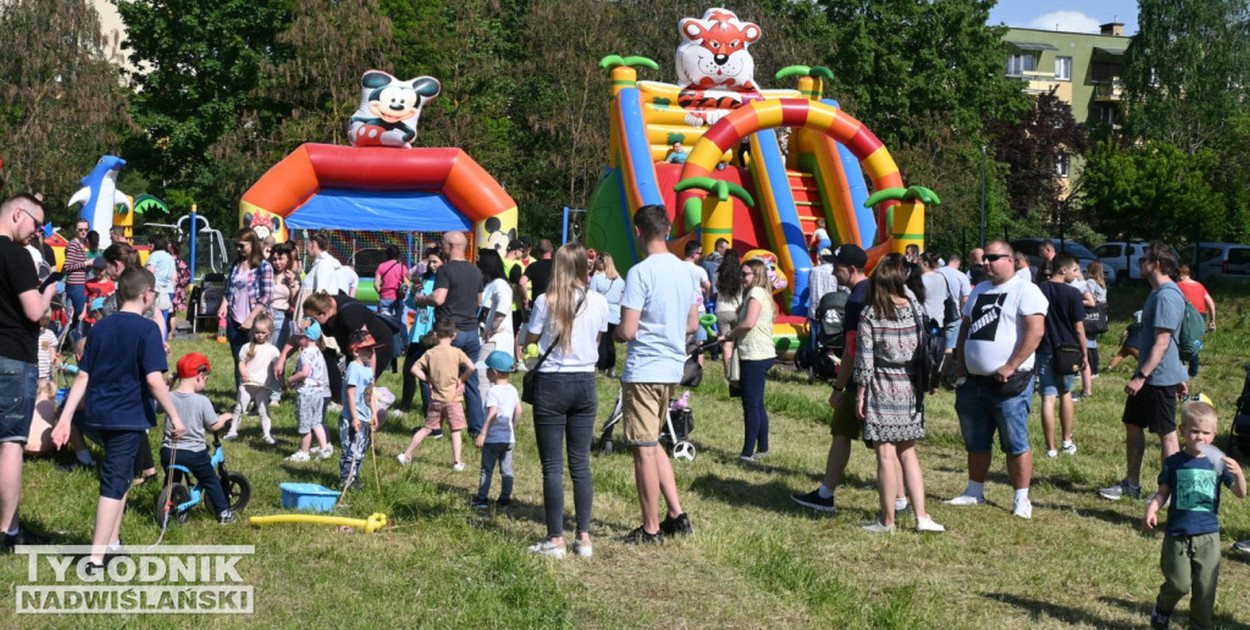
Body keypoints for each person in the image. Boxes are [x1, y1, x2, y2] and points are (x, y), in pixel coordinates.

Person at [51, 267, 184, 568]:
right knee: (113, 482)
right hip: (128, 416)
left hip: (100, 413)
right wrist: (175, 416)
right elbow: (154, 380)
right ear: (147, 295)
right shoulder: (148, 329)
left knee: (121, 475)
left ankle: (113, 541)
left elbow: (83, 376)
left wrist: (66, 417)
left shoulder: (99, 328)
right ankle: (96, 559)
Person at [616, 205, 699, 544]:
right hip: (671, 367)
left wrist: (615, 333)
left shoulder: (640, 272)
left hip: (645, 369)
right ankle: (677, 515)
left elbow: (628, 330)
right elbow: (692, 323)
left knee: (643, 448)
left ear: (639, 232)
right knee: (653, 443)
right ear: (667, 230)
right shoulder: (686, 271)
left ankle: (650, 528)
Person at [947, 240, 1046, 519]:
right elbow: (966, 327)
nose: (985, 263)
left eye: (992, 258)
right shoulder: (979, 289)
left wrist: (1011, 365)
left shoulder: (1026, 290)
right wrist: (961, 362)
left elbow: (1035, 332)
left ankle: (1021, 499)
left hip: (1009, 383)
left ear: (1010, 260)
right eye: (984, 258)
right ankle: (974, 491)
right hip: (973, 381)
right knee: (976, 440)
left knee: (1015, 442)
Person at [523, 242, 609, 557]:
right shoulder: (599, 301)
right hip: (585, 381)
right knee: (580, 463)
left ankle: (555, 539)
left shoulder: (546, 301)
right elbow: (597, 340)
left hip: (552, 382)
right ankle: (584, 537)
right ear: (585, 267)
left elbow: (530, 337)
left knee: (552, 466)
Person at [854, 255, 945, 533]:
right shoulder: (914, 307)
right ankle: (922, 517)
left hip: (881, 385)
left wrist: (860, 393)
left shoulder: (870, 314)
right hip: (911, 385)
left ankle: (888, 521)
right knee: (908, 453)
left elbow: (865, 359)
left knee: (885, 455)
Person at [792, 244, 882, 514]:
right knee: (850, 435)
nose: (832, 272)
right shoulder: (873, 290)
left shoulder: (855, 300)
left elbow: (852, 350)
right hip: (875, 378)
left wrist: (838, 386)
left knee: (874, 444)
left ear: (852, 269)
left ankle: (828, 495)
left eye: (837, 267)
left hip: (859, 381)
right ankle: (826, 493)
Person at [1143, 402, 1246, 630]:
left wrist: (1239, 474)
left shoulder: (1217, 462)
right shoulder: (1174, 462)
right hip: (1177, 534)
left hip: (1208, 535)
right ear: (1182, 431)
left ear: (1214, 435)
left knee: (1205, 587)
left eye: (1206, 433)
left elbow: (1240, 493)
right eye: (1194, 431)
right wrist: (1152, 509)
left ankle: (1199, 626)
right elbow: (1163, 492)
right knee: (1179, 584)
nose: (1200, 437)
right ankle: (1162, 608)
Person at [1101, 241, 1189, 501]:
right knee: (1133, 423)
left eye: (1143, 259)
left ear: (1156, 264)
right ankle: (1131, 484)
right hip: (1150, 374)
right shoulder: (1156, 292)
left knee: (1166, 433)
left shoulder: (1167, 296)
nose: (1139, 262)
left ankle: (1168, 492)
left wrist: (1141, 377)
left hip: (1156, 377)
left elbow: (1163, 343)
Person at [0, 194, 59, 552]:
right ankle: (8, 533)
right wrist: (48, 289)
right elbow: (36, 312)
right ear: (18, 213)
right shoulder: (16, 255)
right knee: (10, 445)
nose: (37, 233)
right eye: (36, 224)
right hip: (11, 358)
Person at [409, 231, 484, 436]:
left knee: (434, 377)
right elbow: (479, 301)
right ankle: (476, 429)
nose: (441, 249)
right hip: (471, 332)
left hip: (449, 332)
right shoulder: (475, 271)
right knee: (471, 381)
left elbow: (439, 298)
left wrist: (422, 299)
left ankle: (434, 427)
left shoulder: (445, 270)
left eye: (442, 245)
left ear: (450, 247)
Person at [160, 353, 235, 523]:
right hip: (193, 454)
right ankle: (224, 513)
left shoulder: (168, 397)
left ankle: (167, 503)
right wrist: (224, 417)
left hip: (168, 451)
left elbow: (158, 407)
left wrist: (169, 384)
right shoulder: (202, 401)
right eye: (206, 379)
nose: (205, 382)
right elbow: (213, 426)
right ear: (199, 376)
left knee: (172, 476)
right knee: (210, 480)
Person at [399, 317, 474, 471]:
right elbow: (471, 367)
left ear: (435, 335)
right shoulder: (457, 352)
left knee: (427, 428)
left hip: (436, 399)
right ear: (454, 335)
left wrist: (429, 380)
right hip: (453, 399)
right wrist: (461, 380)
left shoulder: (430, 353)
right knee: (455, 431)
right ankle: (457, 462)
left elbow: (414, 369)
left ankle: (406, 454)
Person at [721, 258, 776, 462]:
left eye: (745, 274)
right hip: (760, 353)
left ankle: (747, 454)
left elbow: (748, 323)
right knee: (757, 404)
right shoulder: (759, 293)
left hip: (755, 355)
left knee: (751, 406)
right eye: (741, 274)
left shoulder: (756, 293)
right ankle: (763, 448)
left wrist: (729, 335)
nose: (741, 278)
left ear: (757, 275)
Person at [1036, 255, 1087, 458]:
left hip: (1045, 348)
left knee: (1048, 398)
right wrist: (1084, 353)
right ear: (1063, 270)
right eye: (1075, 270)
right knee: (1065, 393)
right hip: (1068, 350)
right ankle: (1067, 441)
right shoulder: (1073, 293)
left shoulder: (1040, 289)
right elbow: (1079, 328)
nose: (1076, 275)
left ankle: (1051, 448)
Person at [219, 228, 273, 388]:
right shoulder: (235, 265)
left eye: (242, 245)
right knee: (239, 359)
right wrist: (224, 304)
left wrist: (251, 318)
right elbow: (229, 289)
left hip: (255, 321)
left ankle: (258, 394)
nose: (239, 249)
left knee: (256, 359)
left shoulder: (264, 266)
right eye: (237, 245)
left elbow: (266, 297)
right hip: (235, 319)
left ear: (253, 244)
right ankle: (241, 394)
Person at [301, 292, 395, 380]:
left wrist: (371, 378)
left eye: (312, 319)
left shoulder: (349, 314)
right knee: (348, 383)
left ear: (323, 313)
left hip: (377, 345)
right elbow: (301, 333)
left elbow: (368, 348)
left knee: (360, 384)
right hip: (352, 349)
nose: (309, 322)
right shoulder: (324, 307)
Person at [472, 351, 521, 511]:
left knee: (487, 470)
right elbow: (519, 410)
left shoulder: (493, 391)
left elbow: (493, 413)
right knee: (506, 470)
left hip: (493, 439)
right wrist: (512, 427)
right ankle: (505, 498)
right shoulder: (513, 389)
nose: (486, 372)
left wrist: (483, 433)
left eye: (487, 369)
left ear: (493, 372)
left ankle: (482, 499)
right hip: (508, 438)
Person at [226, 312, 279, 444]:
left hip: (262, 386)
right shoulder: (247, 347)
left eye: (263, 332)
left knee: (264, 411)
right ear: (252, 331)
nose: (260, 335)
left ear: (270, 332)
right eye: (257, 332)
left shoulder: (273, 350)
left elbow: (277, 368)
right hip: (247, 385)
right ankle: (232, 431)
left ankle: (267, 434)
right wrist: (243, 374)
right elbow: (241, 362)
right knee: (239, 408)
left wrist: (281, 381)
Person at [400, 250, 441, 416]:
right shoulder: (423, 278)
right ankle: (405, 406)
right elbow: (411, 304)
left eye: (435, 262)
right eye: (430, 262)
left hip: (434, 331)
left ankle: (430, 410)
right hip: (418, 331)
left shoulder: (444, 281)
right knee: (408, 369)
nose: (431, 265)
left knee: (430, 373)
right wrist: (412, 293)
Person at [284, 318, 332, 462]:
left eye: (299, 336)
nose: (296, 338)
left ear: (306, 338)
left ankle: (304, 453)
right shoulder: (317, 351)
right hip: (319, 393)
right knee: (316, 422)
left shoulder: (305, 353)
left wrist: (291, 379)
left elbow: (305, 372)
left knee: (304, 426)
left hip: (306, 395)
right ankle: (324, 448)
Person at [338, 330, 378, 489]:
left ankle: (354, 478)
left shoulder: (368, 369)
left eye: (372, 348)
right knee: (351, 451)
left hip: (365, 417)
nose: (371, 352)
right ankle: (346, 481)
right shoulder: (354, 368)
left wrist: (374, 413)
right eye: (367, 348)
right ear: (355, 351)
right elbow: (350, 394)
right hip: (352, 418)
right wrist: (354, 418)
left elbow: (369, 393)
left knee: (360, 451)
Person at [477, 248, 514, 402]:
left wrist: (492, 329)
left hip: (495, 339)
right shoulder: (492, 284)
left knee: (482, 374)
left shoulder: (499, 284)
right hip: (491, 337)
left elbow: (503, 307)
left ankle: (484, 410)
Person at [1175, 265, 1216, 378]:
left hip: (1187, 316)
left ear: (1180, 275)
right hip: (1200, 316)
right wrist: (1212, 320)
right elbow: (1211, 303)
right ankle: (1193, 371)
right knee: (1196, 343)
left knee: (1179, 342)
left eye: (1176, 275)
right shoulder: (1200, 286)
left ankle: (1179, 369)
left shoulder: (1178, 285)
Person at [589, 252, 625, 378]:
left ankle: (601, 368)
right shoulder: (619, 280)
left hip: (601, 312)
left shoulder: (597, 278)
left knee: (601, 341)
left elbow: (591, 296)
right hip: (615, 314)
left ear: (601, 263)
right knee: (610, 341)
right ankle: (611, 367)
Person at [1076, 261, 1108, 400]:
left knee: (1086, 345)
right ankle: (1095, 370)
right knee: (1093, 344)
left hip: (1090, 316)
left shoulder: (1090, 283)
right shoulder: (1102, 284)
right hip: (1099, 317)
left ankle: (1089, 370)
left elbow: (1089, 298)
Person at [714, 249, 743, 378]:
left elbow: (715, 291)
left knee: (726, 344)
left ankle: (728, 375)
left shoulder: (718, 274)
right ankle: (738, 373)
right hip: (738, 310)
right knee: (738, 343)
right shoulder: (741, 275)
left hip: (722, 310)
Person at [268, 243, 300, 358]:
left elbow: (296, 301)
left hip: (281, 318)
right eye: (274, 259)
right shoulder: (267, 274)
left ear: (288, 259)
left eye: (281, 259)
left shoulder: (293, 275)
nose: (277, 262)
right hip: (265, 315)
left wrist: (292, 283)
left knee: (277, 355)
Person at [145, 233, 176, 331]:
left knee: (155, 318)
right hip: (169, 290)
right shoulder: (170, 257)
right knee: (164, 320)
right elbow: (174, 277)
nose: (148, 245)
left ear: (156, 243)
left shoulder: (155, 255)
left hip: (157, 289)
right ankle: (164, 337)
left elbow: (150, 272)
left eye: (150, 242)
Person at [63, 219, 90, 324]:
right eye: (80, 230)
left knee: (77, 317)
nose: (83, 232)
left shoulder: (81, 245)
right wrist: (86, 263)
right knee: (80, 316)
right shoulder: (73, 244)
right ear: (75, 230)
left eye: (86, 229)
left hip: (80, 284)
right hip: (75, 285)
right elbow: (68, 266)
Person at [375, 244, 409, 318]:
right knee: (400, 322)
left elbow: (376, 284)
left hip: (385, 298)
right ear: (398, 255)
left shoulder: (381, 266)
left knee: (385, 322)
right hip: (398, 298)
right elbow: (407, 283)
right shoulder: (402, 267)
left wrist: (381, 293)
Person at [168, 241, 191, 339]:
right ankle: (170, 334)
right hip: (178, 291)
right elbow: (187, 277)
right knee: (173, 314)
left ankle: (167, 333)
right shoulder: (182, 263)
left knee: (167, 313)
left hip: (169, 289)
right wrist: (180, 286)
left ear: (172, 250)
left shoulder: (168, 261)